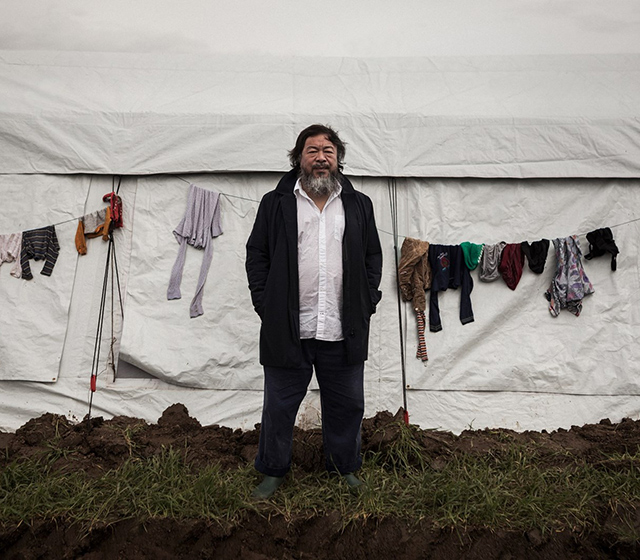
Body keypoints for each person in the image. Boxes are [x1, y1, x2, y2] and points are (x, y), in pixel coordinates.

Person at [245, 124, 383, 499]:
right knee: (279, 405)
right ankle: (273, 471)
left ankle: (345, 468)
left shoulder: (359, 204)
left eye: (328, 151)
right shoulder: (275, 202)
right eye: (312, 151)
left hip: (343, 326)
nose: (321, 158)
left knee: (347, 405)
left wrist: (368, 301)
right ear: (298, 158)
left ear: (338, 159)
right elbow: (257, 254)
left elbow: (372, 256)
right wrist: (265, 304)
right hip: (289, 326)